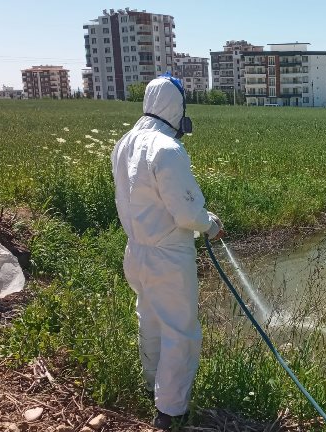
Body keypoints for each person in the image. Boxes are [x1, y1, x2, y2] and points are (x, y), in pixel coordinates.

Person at [111, 73, 225, 430]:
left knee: (150, 320)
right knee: (181, 331)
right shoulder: (168, 149)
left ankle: (153, 388)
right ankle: (172, 411)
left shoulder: (124, 143)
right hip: (168, 256)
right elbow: (187, 213)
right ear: (176, 107)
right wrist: (211, 223)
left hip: (137, 252)